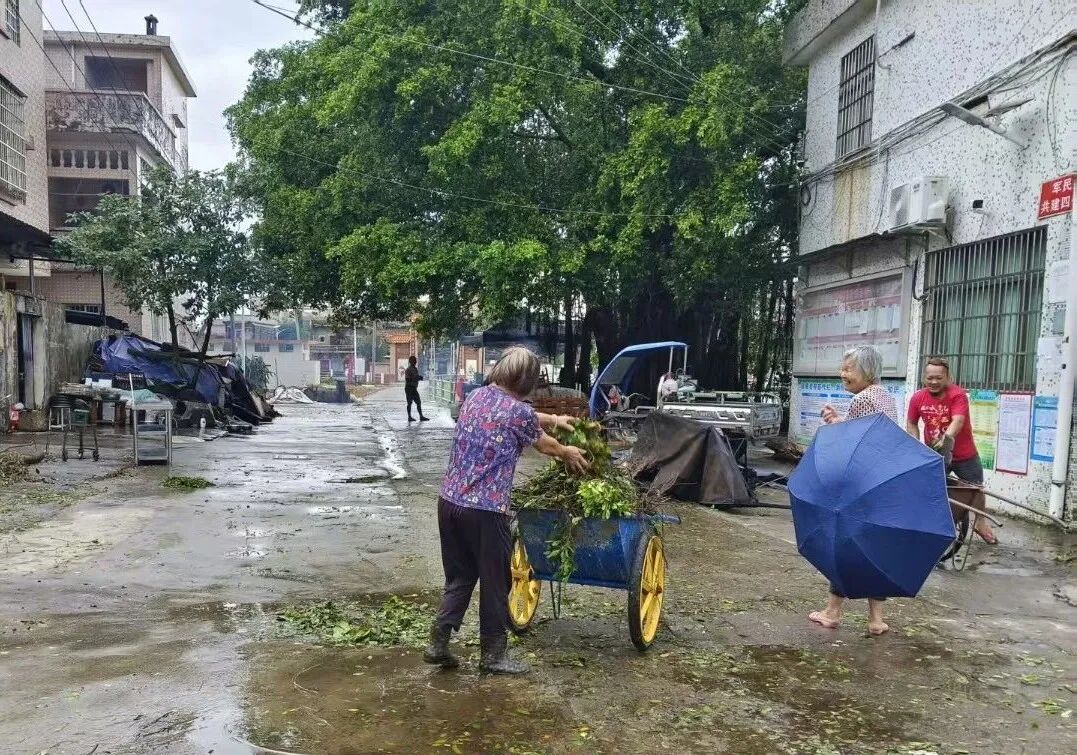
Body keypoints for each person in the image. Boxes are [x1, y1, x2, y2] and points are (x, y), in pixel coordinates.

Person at [424, 347, 590, 674]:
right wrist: (567, 452)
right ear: (527, 382)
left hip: (450, 503)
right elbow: (545, 443)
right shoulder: (519, 413)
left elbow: (515, 414)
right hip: (486, 512)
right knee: (496, 581)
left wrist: (554, 419)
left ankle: (437, 642)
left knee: (460, 576)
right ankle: (493, 655)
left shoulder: (475, 397)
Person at [810, 345, 898, 637]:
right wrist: (839, 421)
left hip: (859, 486)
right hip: (881, 484)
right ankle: (876, 619)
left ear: (867, 372)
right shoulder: (884, 396)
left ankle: (832, 612)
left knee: (845, 544)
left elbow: (852, 445)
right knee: (876, 549)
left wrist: (833, 425)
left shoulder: (862, 398)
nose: (843, 373)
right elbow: (869, 435)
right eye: (843, 368)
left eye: (849, 369)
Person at [906, 357, 997, 544]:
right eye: (930, 378)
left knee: (976, 488)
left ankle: (980, 522)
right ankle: (931, 523)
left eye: (939, 378)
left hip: (964, 454)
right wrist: (916, 445)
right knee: (932, 489)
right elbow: (912, 423)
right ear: (924, 377)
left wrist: (945, 440)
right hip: (935, 455)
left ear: (948, 377)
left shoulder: (957, 395)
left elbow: (958, 421)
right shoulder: (918, 398)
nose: (934, 382)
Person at [404, 355, 429, 422]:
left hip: (414, 388)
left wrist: (419, 378)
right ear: (410, 361)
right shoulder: (408, 370)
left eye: (415, 360)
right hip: (409, 388)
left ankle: (421, 416)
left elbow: (415, 377)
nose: (415, 361)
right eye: (414, 360)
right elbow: (407, 380)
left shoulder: (415, 369)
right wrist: (417, 378)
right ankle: (409, 417)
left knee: (418, 402)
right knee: (409, 403)